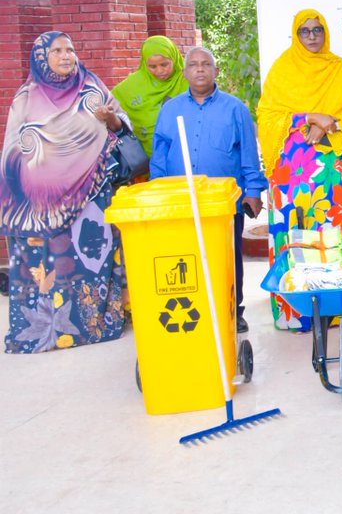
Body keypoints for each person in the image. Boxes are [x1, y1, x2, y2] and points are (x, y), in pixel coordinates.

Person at [0, 31, 129, 352]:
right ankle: (47, 332)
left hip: (90, 194)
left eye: (70, 49)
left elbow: (121, 127)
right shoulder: (26, 98)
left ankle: (95, 324)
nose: (66, 56)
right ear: (42, 57)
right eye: (56, 51)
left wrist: (110, 118)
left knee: (90, 257)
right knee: (47, 263)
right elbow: (14, 152)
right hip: (42, 205)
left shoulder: (92, 85)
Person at [258, 9, 342, 331]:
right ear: (296, 34)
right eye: (304, 31)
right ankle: (297, 313)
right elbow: (267, 118)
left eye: (317, 30)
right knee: (296, 240)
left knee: (334, 240)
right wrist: (308, 117)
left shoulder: (341, 71)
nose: (311, 36)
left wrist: (330, 124)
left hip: (334, 179)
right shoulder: (282, 70)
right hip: (291, 181)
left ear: (325, 33)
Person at [150, 47, 267, 334]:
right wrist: (160, 194)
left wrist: (252, 191)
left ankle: (233, 309)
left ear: (216, 71)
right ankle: (196, 308)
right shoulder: (170, 109)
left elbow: (248, 154)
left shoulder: (235, 108)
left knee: (228, 256)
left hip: (223, 201)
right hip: (181, 200)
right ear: (185, 72)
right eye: (194, 65)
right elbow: (159, 155)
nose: (200, 69)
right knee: (186, 258)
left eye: (206, 64)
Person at [112, 35, 188, 158]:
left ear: (174, 58)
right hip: (146, 158)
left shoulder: (187, 79)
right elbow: (108, 102)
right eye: (152, 67)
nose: (159, 71)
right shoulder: (132, 85)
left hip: (185, 154)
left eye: (164, 64)